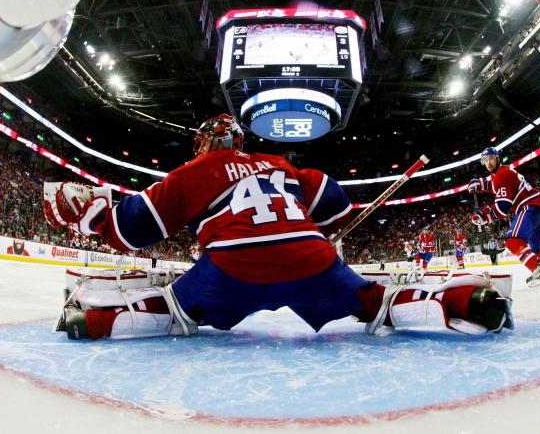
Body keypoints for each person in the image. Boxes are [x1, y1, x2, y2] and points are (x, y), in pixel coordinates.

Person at [44, 114, 513, 340]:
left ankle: (98, 320)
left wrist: (94, 218)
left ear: (207, 144)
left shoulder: (195, 173)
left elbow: (132, 229)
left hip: (233, 269)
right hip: (312, 258)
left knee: (177, 310)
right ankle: (465, 303)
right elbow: (336, 200)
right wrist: (312, 232)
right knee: (375, 304)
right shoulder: (279, 164)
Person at [468, 147, 540, 287]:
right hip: (539, 207)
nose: (489, 163)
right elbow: (495, 186)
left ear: (498, 158)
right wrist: (481, 184)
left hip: (529, 207)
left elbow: (502, 208)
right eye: (485, 160)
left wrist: (484, 215)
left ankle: (539, 272)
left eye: (491, 159)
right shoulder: (502, 173)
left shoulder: (502, 174)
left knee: (513, 241)